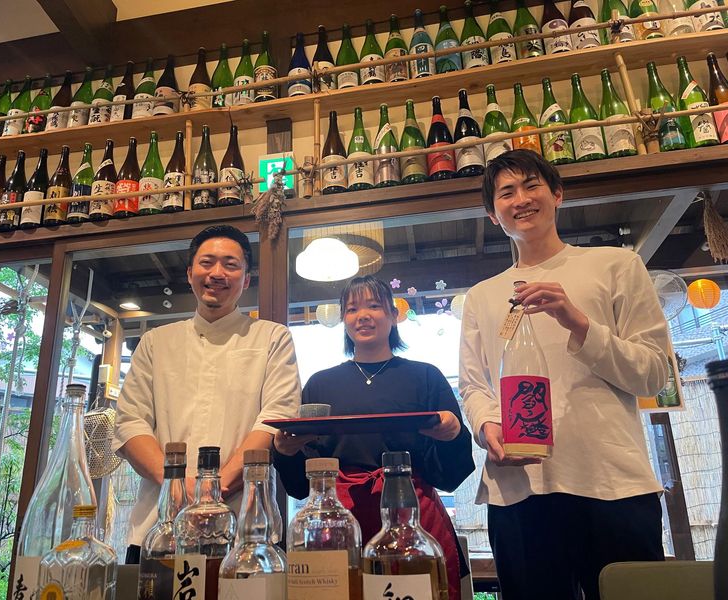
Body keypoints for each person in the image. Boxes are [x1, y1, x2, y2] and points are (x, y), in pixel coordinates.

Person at [459, 150, 668, 600]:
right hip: (517, 489)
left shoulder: (616, 265)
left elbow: (654, 374)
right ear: (493, 215)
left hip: (614, 483)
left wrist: (580, 324)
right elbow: (473, 385)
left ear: (557, 194)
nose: (521, 199)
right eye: (506, 192)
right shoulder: (481, 296)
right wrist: (486, 425)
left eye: (532, 185)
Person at [273, 275, 474, 600]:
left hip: (411, 514)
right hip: (336, 519)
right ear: (344, 319)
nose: (362, 315)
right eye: (352, 309)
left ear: (393, 315)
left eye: (374, 306)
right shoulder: (320, 383)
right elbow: (300, 485)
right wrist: (284, 451)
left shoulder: (426, 376)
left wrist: (453, 435)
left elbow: (451, 476)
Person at [114, 225, 301, 563]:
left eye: (230, 265)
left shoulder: (272, 337)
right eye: (207, 262)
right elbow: (130, 424)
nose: (217, 273)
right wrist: (180, 488)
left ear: (246, 279)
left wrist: (212, 492)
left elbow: (275, 419)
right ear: (190, 273)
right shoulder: (156, 342)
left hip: (247, 531)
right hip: (158, 530)